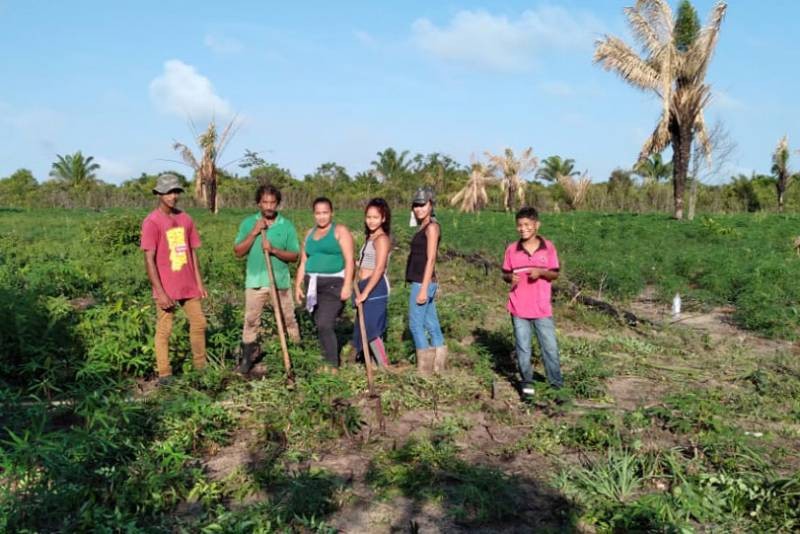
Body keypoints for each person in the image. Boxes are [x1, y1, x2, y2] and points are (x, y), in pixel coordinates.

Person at [140, 173, 207, 385]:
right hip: (166, 287)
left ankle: (200, 369)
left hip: (188, 284)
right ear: (159, 194)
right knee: (165, 330)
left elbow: (193, 253)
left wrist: (199, 283)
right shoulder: (152, 221)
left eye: (175, 192)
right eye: (168, 192)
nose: (172, 196)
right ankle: (165, 374)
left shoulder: (186, 219)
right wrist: (159, 291)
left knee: (199, 323)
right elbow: (149, 259)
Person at [234, 184, 300, 375]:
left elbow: (294, 255)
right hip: (255, 283)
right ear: (258, 203)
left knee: (288, 319)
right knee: (251, 321)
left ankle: (295, 354)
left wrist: (274, 251)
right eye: (265, 202)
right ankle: (246, 360)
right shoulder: (248, 223)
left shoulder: (286, 226)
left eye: (272, 202)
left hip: (280, 282)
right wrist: (254, 232)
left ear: (278, 203)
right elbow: (238, 252)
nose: (269, 206)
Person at [501, 206, 564, 399]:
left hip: (542, 308)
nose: (523, 228)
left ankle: (556, 387)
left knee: (550, 348)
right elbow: (505, 273)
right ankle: (527, 386)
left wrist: (541, 272)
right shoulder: (512, 249)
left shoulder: (548, 247)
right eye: (519, 225)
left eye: (527, 224)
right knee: (523, 348)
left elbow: (554, 273)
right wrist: (509, 278)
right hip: (519, 308)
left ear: (537, 225)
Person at [295, 197, 355, 370]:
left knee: (324, 323)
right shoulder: (309, 234)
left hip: (333, 284)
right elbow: (304, 261)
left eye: (325, 212)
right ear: (314, 214)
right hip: (312, 284)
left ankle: (332, 365)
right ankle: (326, 356)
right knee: (318, 322)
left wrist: (347, 285)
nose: (322, 217)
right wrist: (298, 285)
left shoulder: (340, 231)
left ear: (331, 213)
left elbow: (349, 260)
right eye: (318, 213)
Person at [405, 187, 447, 375]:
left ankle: (425, 371)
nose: (419, 209)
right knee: (431, 324)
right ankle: (438, 368)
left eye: (423, 205)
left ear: (431, 205)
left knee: (415, 325)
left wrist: (423, 289)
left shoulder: (432, 227)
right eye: (416, 205)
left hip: (423, 282)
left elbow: (431, 258)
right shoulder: (423, 226)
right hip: (424, 281)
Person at [353, 198, 392, 367]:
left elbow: (379, 268)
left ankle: (384, 366)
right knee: (365, 326)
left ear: (383, 218)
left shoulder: (381, 239)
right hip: (364, 286)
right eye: (368, 217)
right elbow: (365, 263)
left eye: (375, 217)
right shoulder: (370, 237)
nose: (371, 221)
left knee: (372, 328)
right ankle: (372, 365)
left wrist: (365, 293)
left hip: (375, 288)